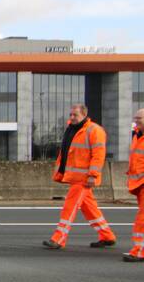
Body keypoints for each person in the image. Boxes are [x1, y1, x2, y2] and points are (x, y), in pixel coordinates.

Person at [43, 104, 116, 250]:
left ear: (84, 115)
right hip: (76, 176)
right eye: (70, 114)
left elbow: (98, 155)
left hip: (83, 178)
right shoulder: (72, 129)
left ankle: (59, 238)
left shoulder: (95, 130)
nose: (71, 117)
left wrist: (92, 175)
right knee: (89, 208)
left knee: (69, 207)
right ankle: (107, 235)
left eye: (75, 115)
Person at [125, 108, 144, 262]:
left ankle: (139, 250)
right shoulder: (137, 136)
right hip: (138, 183)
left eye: (139, 118)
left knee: (142, 219)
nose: (136, 120)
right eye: (135, 117)